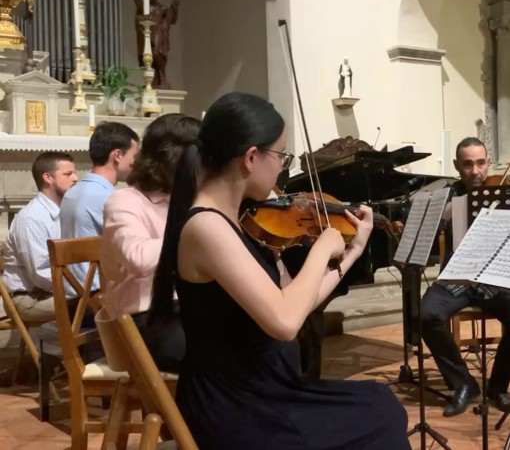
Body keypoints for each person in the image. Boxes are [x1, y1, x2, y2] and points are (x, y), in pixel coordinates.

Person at [148, 92, 410, 449]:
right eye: (281, 156)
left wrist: (353, 251)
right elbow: (285, 323)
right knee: (379, 418)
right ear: (251, 158)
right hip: (236, 405)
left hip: (264, 388)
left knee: (381, 405)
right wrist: (320, 250)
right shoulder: (206, 227)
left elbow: (296, 305)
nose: (282, 168)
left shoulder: (232, 221)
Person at [101, 113, 200, 372]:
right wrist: (197, 229)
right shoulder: (124, 201)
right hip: (142, 320)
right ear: (173, 161)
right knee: (210, 356)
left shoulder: (191, 199)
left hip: (191, 310)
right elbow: (139, 259)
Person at [421, 137, 510, 416]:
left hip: (492, 280)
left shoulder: (504, 195)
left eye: (481, 163)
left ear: (488, 163)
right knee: (427, 316)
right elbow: (429, 242)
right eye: (468, 164)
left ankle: (498, 387)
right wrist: (444, 217)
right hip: (456, 280)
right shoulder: (448, 197)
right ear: (457, 166)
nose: (476, 171)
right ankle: (463, 384)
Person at [60, 122, 139, 288]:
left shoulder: (73, 191)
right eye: (134, 157)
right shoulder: (107, 197)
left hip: (74, 292)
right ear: (117, 155)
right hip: (98, 297)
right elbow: (133, 253)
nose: (136, 163)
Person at [2, 152, 78, 321]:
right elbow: (41, 275)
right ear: (47, 178)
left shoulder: (64, 211)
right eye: (68, 174)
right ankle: (74, 347)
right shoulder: (32, 218)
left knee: (104, 299)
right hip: (28, 298)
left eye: (74, 172)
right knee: (93, 304)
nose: (75, 178)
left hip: (54, 290)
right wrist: (81, 286)